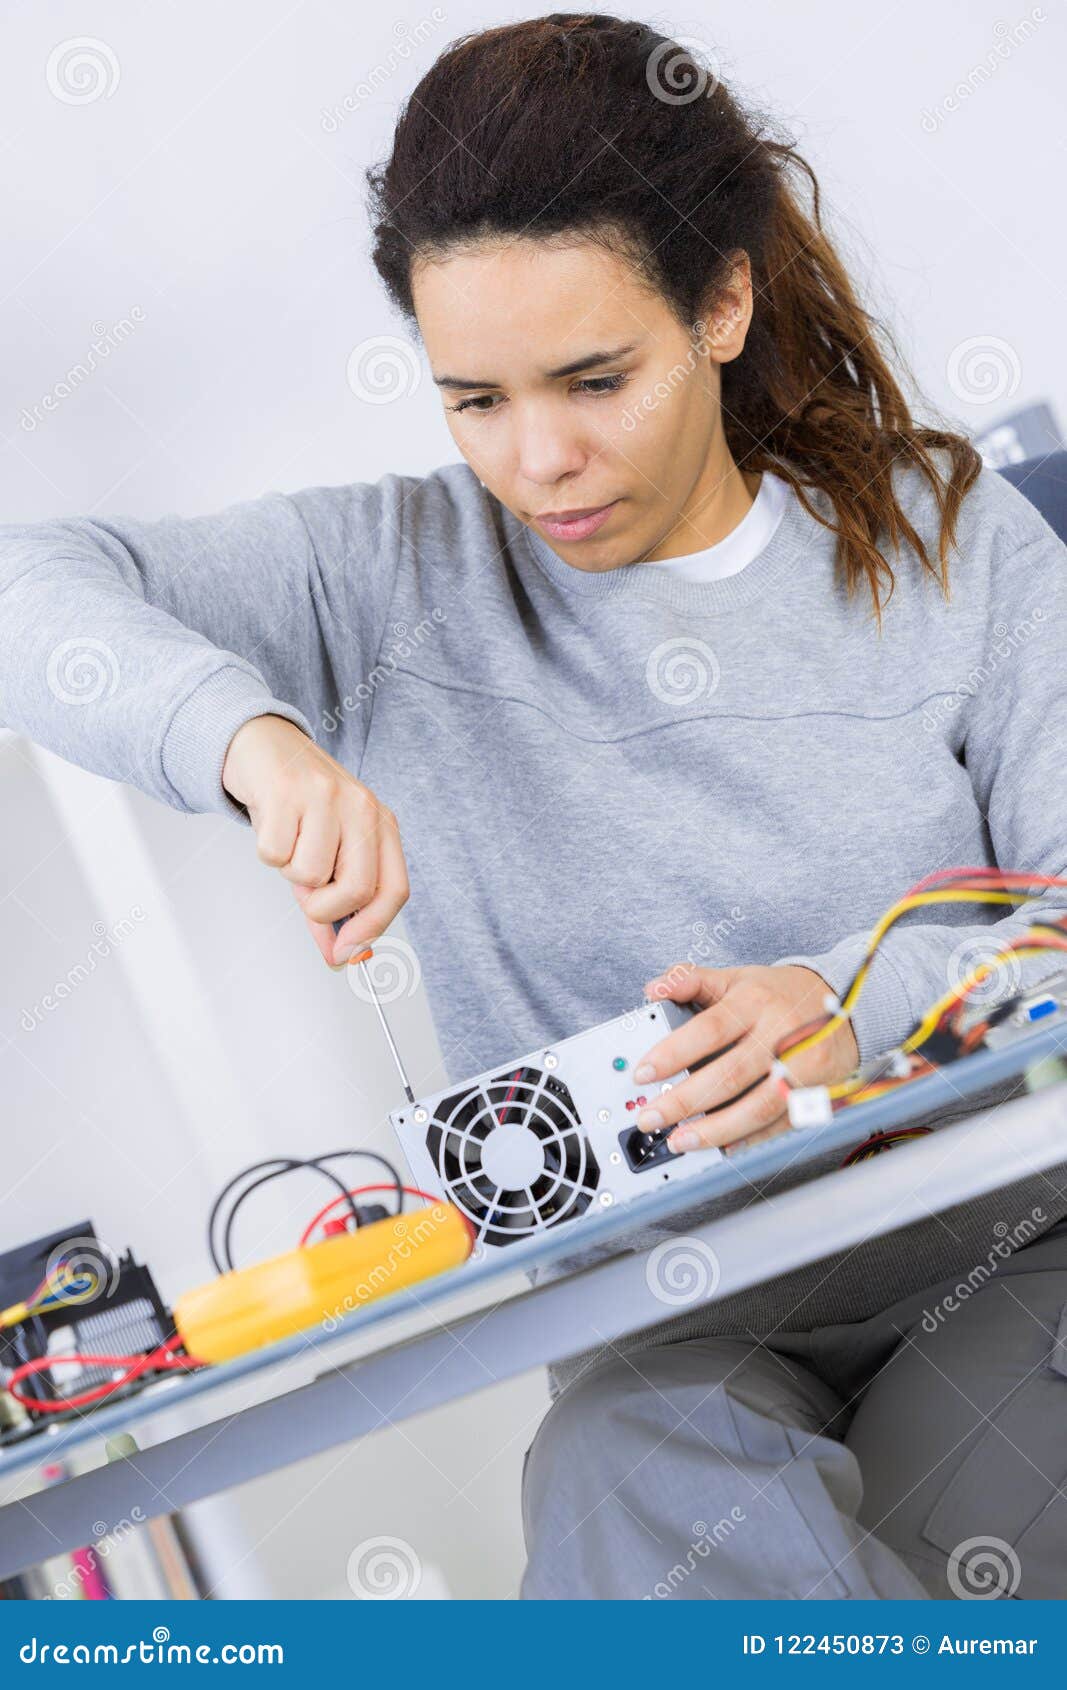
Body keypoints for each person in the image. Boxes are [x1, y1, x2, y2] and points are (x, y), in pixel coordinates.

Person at [3, 13, 1067, 1600]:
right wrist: (254, 741)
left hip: (1005, 1258)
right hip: (675, 1331)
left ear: (721, 304)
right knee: (609, 1472)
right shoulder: (391, 580)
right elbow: (25, 589)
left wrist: (852, 1004)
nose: (540, 461)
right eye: (475, 401)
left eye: (594, 379)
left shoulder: (952, 544)